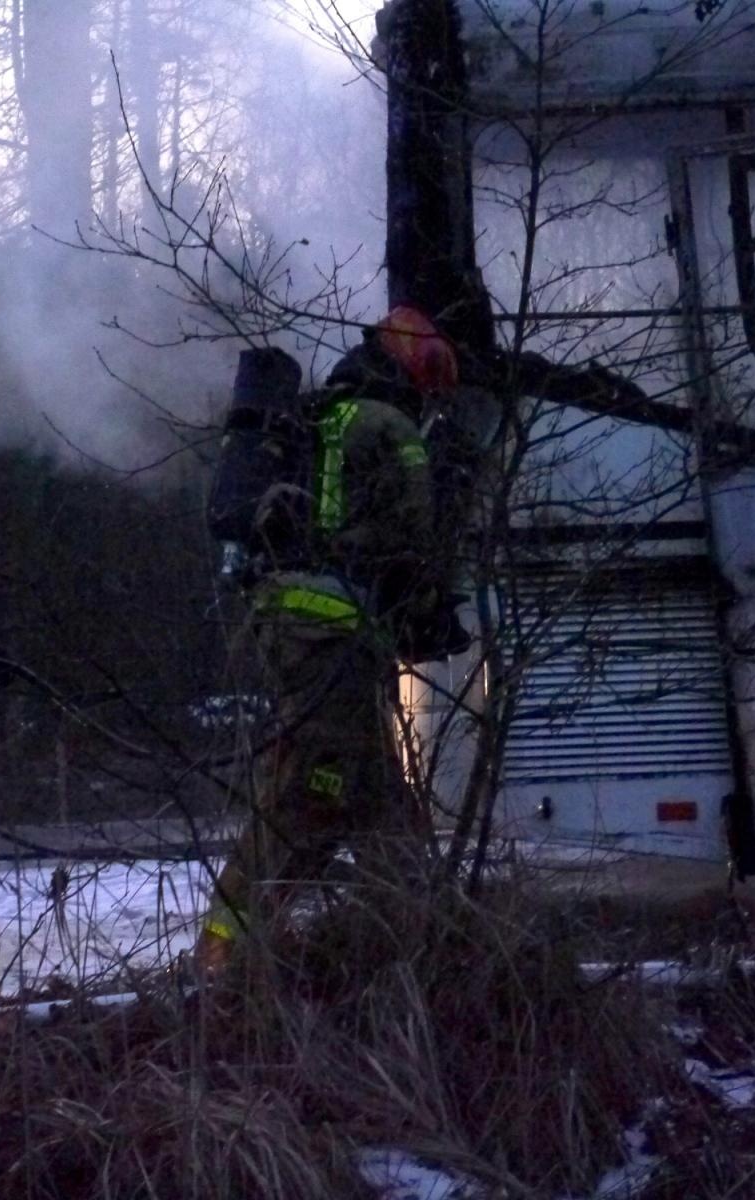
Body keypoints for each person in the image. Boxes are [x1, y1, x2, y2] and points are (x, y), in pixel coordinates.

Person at [197, 305, 460, 975]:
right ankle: (222, 955)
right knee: (308, 792)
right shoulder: (391, 426)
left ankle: (414, 946)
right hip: (333, 633)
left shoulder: (316, 419)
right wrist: (431, 610)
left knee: (378, 803)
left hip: (293, 625)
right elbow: (415, 534)